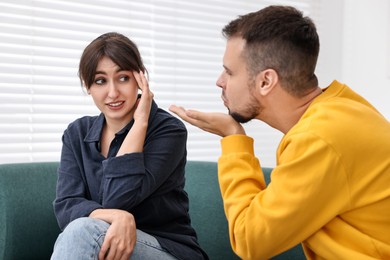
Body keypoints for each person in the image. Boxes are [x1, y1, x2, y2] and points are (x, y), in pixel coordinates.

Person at [169, 5, 390, 260]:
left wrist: (233, 139)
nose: (220, 81)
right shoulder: (343, 110)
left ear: (266, 81)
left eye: (229, 71)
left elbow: (250, 240)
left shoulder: (319, 138)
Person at [51, 32, 208, 260]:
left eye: (123, 78)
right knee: (83, 231)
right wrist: (117, 217)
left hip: (166, 249)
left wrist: (141, 122)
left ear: (140, 78)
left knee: (85, 232)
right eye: (100, 80)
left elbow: (118, 197)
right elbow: (66, 206)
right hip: (104, 243)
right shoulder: (77, 133)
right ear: (88, 86)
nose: (113, 92)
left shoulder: (168, 130)